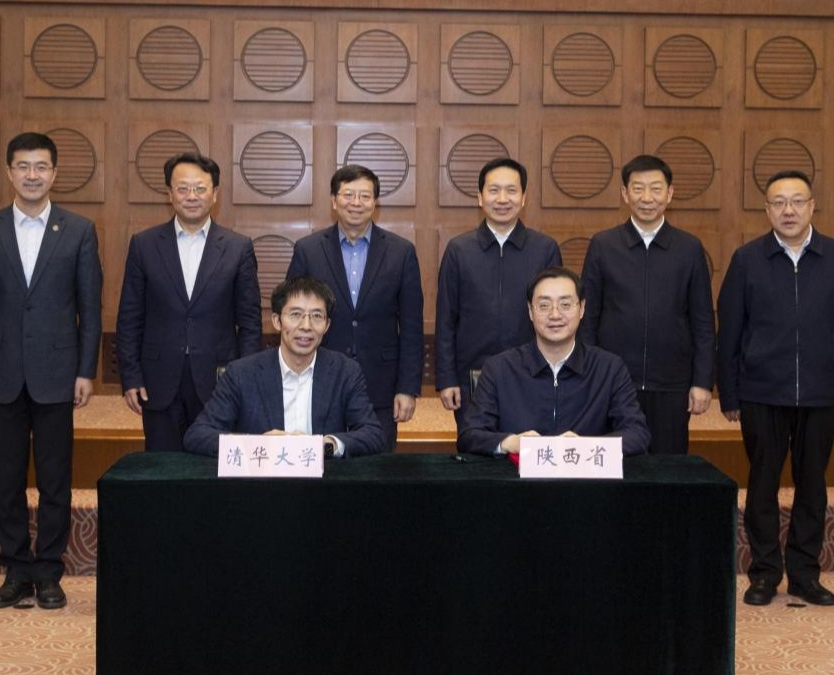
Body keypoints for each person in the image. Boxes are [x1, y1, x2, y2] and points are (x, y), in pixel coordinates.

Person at [0, 132, 102, 610]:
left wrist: (86, 370)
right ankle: (16, 569)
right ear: (9, 172)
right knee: (6, 479)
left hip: (57, 372)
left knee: (54, 478)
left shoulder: (79, 230)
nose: (32, 175)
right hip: (0, 370)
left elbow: (90, 308)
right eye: (23, 166)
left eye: (41, 166)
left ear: (54, 173)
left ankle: (48, 571)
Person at [717, 170, 834, 607]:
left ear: (812, 206)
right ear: (767, 210)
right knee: (762, 485)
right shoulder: (747, 259)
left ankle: (804, 573)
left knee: (812, 485)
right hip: (761, 392)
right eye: (779, 202)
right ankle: (764, 573)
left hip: (821, 393)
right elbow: (731, 331)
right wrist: (730, 393)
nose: (788, 210)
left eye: (797, 201)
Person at [116, 152, 261, 451]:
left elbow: (250, 323)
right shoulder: (144, 245)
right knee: (162, 464)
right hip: (158, 379)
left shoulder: (238, 248)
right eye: (183, 188)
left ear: (215, 194)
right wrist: (130, 376)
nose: (191, 196)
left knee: (214, 464)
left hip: (219, 379)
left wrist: (244, 378)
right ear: (169, 194)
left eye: (200, 188)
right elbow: (130, 317)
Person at [580, 154, 714, 454]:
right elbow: (587, 316)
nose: (647, 198)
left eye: (656, 188)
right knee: (613, 462)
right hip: (613, 378)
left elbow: (703, 320)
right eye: (638, 189)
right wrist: (589, 373)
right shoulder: (603, 245)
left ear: (670, 193)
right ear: (625, 194)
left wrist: (703, 381)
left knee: (668, 464)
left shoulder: (689, 247)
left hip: (672, 382)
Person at [285, 165, 424, 451]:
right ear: (334, 201)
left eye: (365, 196)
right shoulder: (308, 250)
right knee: (322, 458)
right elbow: (293, 316)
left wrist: (407, 388)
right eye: (348, 195)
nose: (356, 203)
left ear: (375, 202)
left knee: (377, 462)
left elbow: (412, 326)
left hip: (381, 384)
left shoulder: (401, 252)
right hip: (320, 378)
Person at [183, 277, 386, 458]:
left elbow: (373, 434)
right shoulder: (241, 373)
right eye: (296, 314)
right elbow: (198, 435)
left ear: (327, 325)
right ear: (277, 321)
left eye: (317, 316)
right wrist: (257, 444)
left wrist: (325, 445)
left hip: (323, 483)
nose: (306, 326)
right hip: (262, 482)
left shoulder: (345, 372)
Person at [436, 158, 561, 447]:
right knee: (477, 450)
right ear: (480, 197)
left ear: (524, 197)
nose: (502, 199)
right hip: (472, 376)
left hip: (533, 374)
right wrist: (447, 379)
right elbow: (446, 319)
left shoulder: (544, 249)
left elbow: (556, 319)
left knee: (531, 451)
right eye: (494, 190)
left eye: (511, 190)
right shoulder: (459, 250)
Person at [458, 267, 650, 457]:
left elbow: (638, 433)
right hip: (516, 475)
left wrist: (587, 446)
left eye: (565, 304)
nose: (555, 315)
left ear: (582, 308)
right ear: (530, 311)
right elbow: (469, 435)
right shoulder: (499, 368)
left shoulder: (609, 369)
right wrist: (511, 442)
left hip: (585, 475)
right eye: (544, 306)